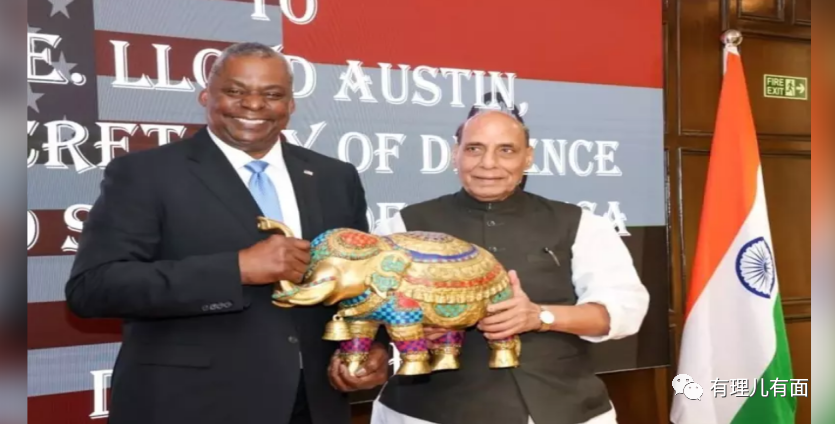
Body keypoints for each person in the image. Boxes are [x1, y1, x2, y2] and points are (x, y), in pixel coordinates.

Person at [64, 42, 389, 424]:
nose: (253, 105)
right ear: (206, 96)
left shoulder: (335, 177)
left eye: (272, 94)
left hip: (314, 404)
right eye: (235, 91)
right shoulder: (146, 174)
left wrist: (371, 346)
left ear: (291, 105)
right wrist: (236, 270)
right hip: (192, 405)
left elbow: (361, 282)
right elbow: (93, 288)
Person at [366, 95, 650, 424]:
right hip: (428, 412)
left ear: (528, 157)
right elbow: (368, 308)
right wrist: (413, 326)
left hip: (566, 409)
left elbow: (622, 313)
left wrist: (539, 316)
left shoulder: (581, 224)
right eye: (474, 148)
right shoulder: (403, 226)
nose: (488, 163)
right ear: (455, 154)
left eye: (506, 150)